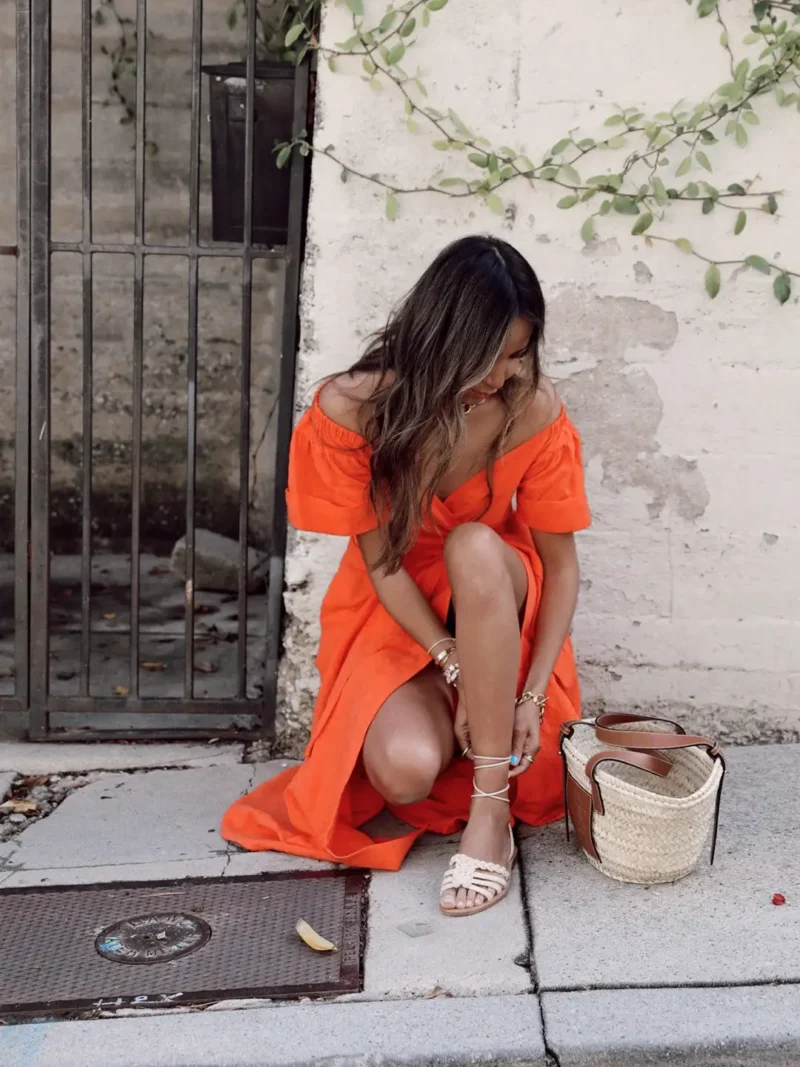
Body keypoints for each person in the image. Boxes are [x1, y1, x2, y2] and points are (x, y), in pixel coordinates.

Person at [222, 235, 591, 917]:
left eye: (520, 353)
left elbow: (562, 566)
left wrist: (530, 696)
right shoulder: (353, 408)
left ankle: (490, 811)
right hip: (395, 609)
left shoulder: (530, 408)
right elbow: (383, 563)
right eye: (495, 356)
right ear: (446, 340)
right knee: (405, 771)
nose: (509, 373)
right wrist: (451, 661)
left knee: (475, 545)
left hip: (496, 590)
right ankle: (465, 722)